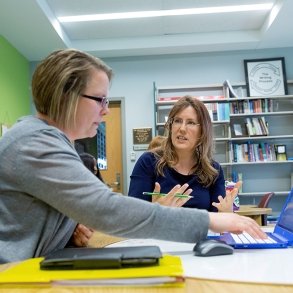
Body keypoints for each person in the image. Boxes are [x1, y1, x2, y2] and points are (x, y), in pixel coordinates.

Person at [0, 49, 266, 264]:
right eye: (100, 99)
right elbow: (106, 209)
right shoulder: (35, 143)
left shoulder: (50, 141)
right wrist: (211, 220)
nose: (105, 110)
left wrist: (69, 228)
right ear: (66, 96)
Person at [129, 96, 241, 211]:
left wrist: (226, 215)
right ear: (171, 126)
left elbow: (216, 220)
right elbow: (132, 216)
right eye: (177, 121)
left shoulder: (213, 170)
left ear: (203, 131)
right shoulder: (148, 162)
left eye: (191, 123)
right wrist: (155, 212)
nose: (182, 128)